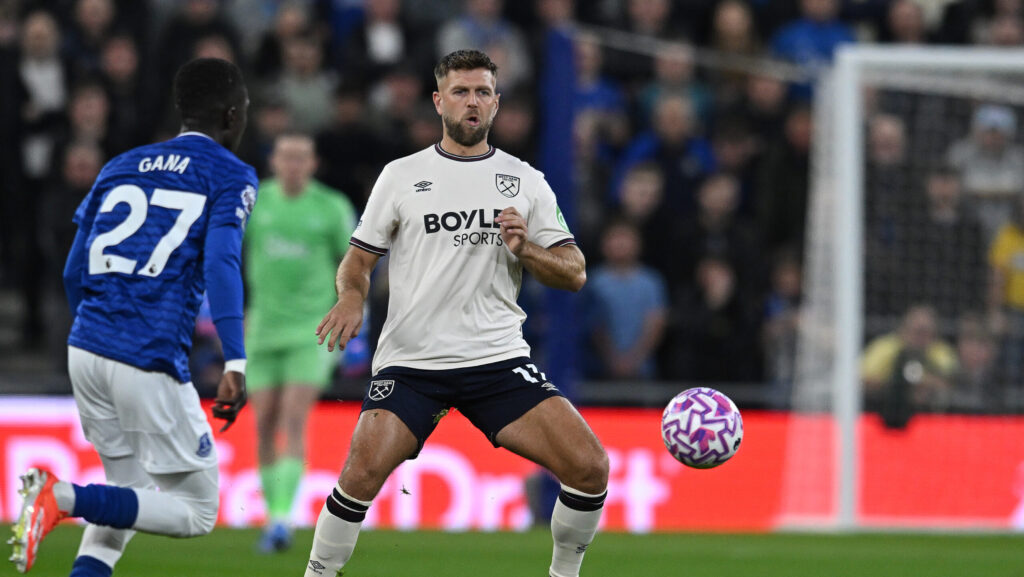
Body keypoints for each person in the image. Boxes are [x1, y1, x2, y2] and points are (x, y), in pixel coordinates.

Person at [305, 49, 608, 577]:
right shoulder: (401, 176)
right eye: (462, 92)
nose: (473, 102)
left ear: (496, 103)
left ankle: (564, 575)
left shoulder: (525, 181)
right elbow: (357, 261)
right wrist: (352, 295)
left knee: (590, 467)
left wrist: (527, 250)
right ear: (438, 100)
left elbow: (575, 271)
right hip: (413, 362)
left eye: (483, 92)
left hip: (495, 358)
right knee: (360, 472)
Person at [9, 58, 254, 576]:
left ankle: (79, 531)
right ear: (233, 116)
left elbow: (75, 269)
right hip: (145, 353)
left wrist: (99, 332)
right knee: (198, 511)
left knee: (126, 493)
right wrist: (235, 358)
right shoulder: (230, 174)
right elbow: (221, 262)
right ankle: (62, 496)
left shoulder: (119, 164)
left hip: (88, 348)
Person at [244, 133, 357, 552]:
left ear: (313, 163)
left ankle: (280, 519)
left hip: (312, 328)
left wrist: (349, 311)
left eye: (301, 157)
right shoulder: (255, 202)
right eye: (286, 156)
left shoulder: (330, 208)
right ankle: (273, 511)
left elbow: (352, 266)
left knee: (293, 416)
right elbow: (226, 255)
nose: (293, 164)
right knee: (263, 422)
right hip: (262, 328)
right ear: (273, 160)